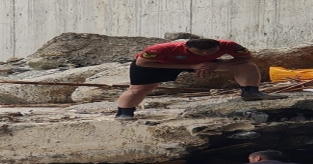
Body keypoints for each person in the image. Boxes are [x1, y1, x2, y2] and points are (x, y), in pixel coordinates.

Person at [115, 38, 287, 120]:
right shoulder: (164, 49)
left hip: (204, 65)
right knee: (139, 89)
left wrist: (213, 62)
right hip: (159, 65)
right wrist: (192, 66)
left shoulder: (230, 46)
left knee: (248, 66)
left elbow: (246, 58)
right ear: (186, 47)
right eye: (201, 52)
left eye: (210, 51)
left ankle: (251, 91)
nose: (206, 54)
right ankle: (124, 113)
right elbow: (143, 62)